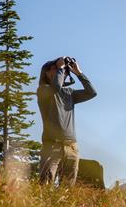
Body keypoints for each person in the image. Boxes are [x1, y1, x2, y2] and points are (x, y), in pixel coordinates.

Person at [37, 56, 97, 186]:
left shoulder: (69, 92)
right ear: (46, 73)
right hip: (52, 146)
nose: (62, 70)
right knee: (45, 185)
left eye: (63, 69)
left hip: (71, 147)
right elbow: (55, 88)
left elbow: (92, 93)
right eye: (55, 68)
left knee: (67, 189)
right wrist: (60, 68)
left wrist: (78, 73)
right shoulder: (43, 91)